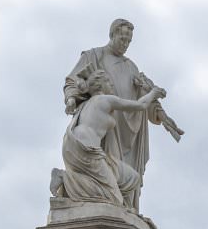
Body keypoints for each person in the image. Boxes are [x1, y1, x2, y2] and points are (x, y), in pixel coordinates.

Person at [63, 19, 184, 211]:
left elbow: (144, 99)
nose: (125, 43)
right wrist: (71, 98)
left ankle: (125, 209)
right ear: (112, 35)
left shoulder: (132, 67)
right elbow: (72, 80)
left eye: (129, 40)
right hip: (105, 125)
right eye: (122, 38)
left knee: (127, 177)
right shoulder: (94, 56)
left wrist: (162, 115)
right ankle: (98, 199)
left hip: (130, 129)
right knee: (105, 174)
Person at [57, 69, 166, 207]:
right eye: (108, 81)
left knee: (133, 178)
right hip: (87, 147)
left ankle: (69, 181)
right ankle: (65, 179)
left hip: (72, 143)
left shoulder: (85, 104)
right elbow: (140, 105)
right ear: (100, 85)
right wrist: (153, 93)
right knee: (113, 199)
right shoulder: (106, 99)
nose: (111, 84)